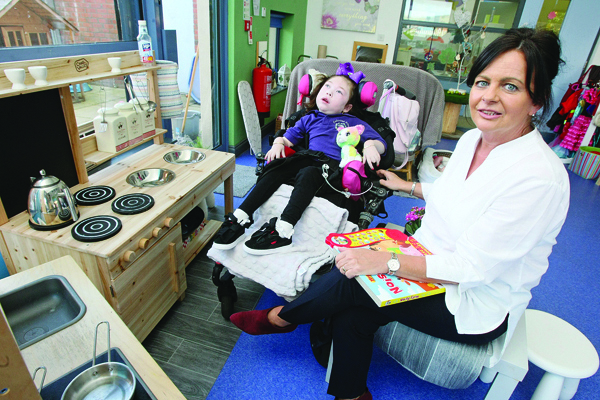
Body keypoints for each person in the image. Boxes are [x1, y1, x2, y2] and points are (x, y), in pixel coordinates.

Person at [228, 28, 570, 400]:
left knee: (353, 281)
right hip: (428, 257)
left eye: (510, 86)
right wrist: (406, 186)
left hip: (473, 299)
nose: (488, 97)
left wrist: (386, 261)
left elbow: (473, 270)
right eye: (483, 82)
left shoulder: (538, 178)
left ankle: (280, 318)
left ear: (536, 101)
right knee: (352, 303)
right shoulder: (474, 140)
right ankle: (351, 393)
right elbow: (460, 195)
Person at [212, 67, 386, 255]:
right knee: (279, 165)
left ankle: (283, 230)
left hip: (333, 170)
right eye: (327, 86)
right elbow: (288, 137)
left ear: (346, 107)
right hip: (308, 158)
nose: (328, 91)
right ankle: (240, 217)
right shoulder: (308, 118)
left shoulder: (350, 121)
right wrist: (279, 142)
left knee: (308, 172)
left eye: (338, 92)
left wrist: (369, 145)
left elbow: (382, 145)